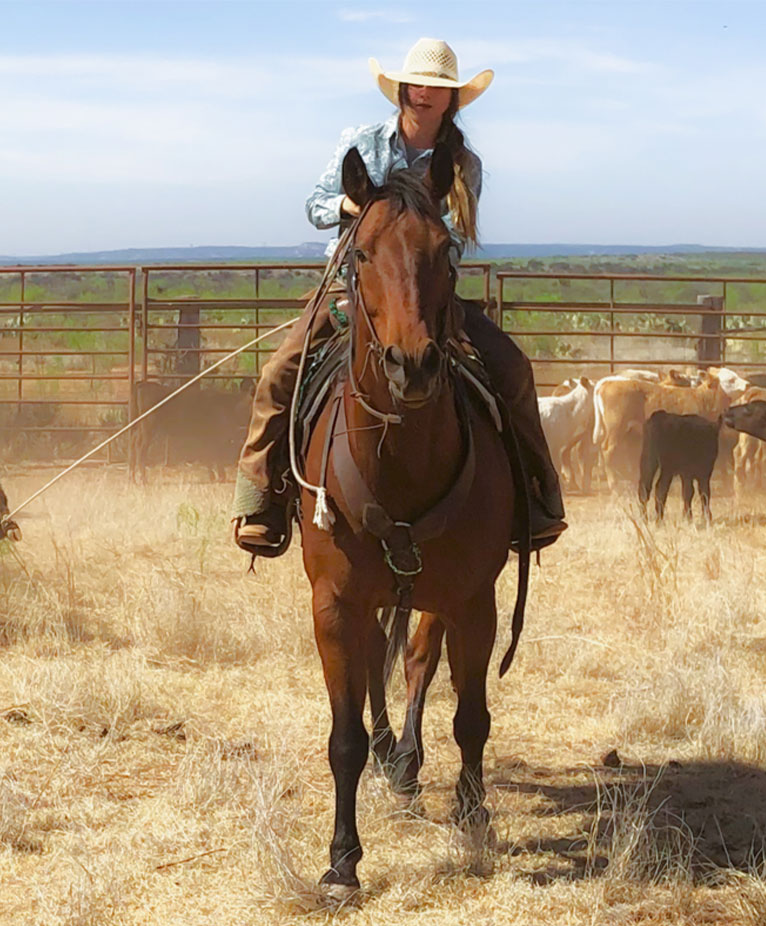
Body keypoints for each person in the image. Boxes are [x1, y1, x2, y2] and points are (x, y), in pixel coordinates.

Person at [233, 37, 566, 557]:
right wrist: (352, 206)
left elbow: (452, 238)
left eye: (437, 87)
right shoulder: (362, 142)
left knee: (513, 370)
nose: (424, 93)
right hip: (353, 288)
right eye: (417, 84)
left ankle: (537, 498)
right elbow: (314, 204)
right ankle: (261, 499)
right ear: (402, 89)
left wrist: (421, 284)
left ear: (451, 99)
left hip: (431, 293)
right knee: (281, 369)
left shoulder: (463, 166)